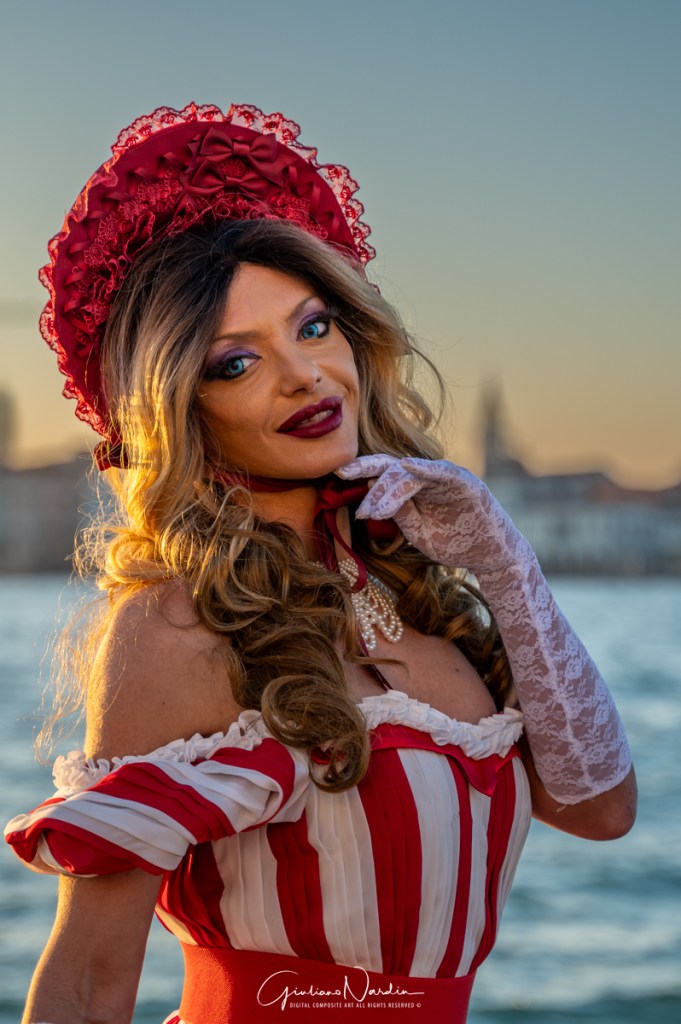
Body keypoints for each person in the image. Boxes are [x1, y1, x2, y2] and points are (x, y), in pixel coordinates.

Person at [5, 102, 636, 1024]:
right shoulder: (176, 625)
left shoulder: (419, 595)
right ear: (182, 408)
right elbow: (89, 983)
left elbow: (601, 813)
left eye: (312, 327)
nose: (303, 375)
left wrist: (507, 567)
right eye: (234, 363)